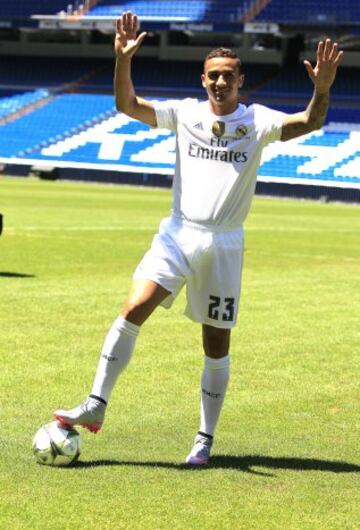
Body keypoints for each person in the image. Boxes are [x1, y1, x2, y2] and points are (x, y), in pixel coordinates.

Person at [54, 12, 343, 465]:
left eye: (228, 75)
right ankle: (96, 403)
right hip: (177, 233)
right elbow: (128, 105)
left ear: (240, 80)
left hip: (224, 245)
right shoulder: (185, 114)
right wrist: (122, 61)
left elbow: (309, 122)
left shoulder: (257, 121)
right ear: (202, 79)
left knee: (216, 343)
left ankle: (204, 439)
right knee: (132, 309)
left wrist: (322, 90)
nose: (220, 82)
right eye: (213, 76)